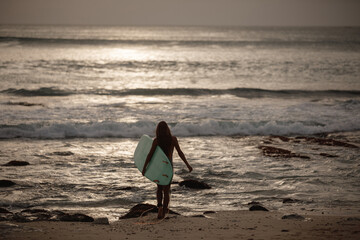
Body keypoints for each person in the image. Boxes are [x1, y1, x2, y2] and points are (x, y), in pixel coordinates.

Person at [142, 121, 192, 219]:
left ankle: (159, 207)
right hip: (168, 168)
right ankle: (164, 212)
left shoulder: (156, 140)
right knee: (166, 190)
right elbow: (180, 153)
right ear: (167, 129)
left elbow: (150, 155)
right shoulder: (173, 139)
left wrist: (144, 168)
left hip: (159, 168)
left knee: (159, 189)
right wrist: (187, 165)